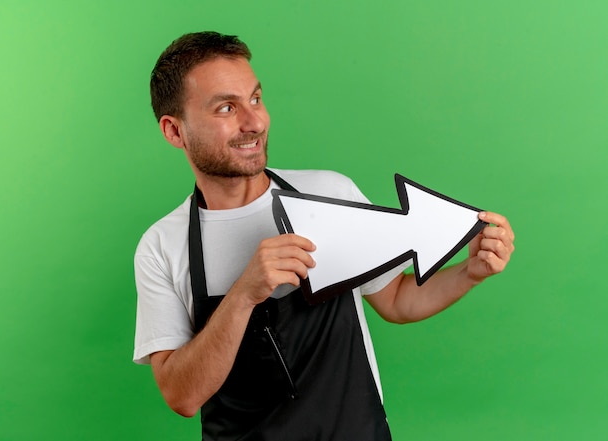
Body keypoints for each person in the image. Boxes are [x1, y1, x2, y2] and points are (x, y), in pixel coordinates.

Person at [133, 31, 515, 441]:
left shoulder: (329, 195)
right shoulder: (162, 246)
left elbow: (398, 300)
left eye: (256, 99)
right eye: (227, 107)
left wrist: (470, 273)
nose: (254, 122)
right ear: (174, 131)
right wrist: (244, 293)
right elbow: (182, 396)